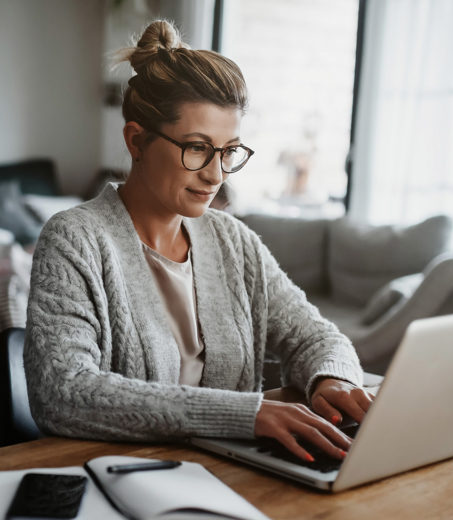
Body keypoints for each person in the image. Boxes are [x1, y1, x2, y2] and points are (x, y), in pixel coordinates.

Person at [23, 20, 372, 462]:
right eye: (197, 148)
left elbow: (316, 337)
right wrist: (247, 414)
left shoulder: (233, 241)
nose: (215, 174)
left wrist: (332, 379)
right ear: (137, 140)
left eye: (229, 151)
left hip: (231, 473)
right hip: (119, 480)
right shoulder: (75, 240)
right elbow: (64, 392)